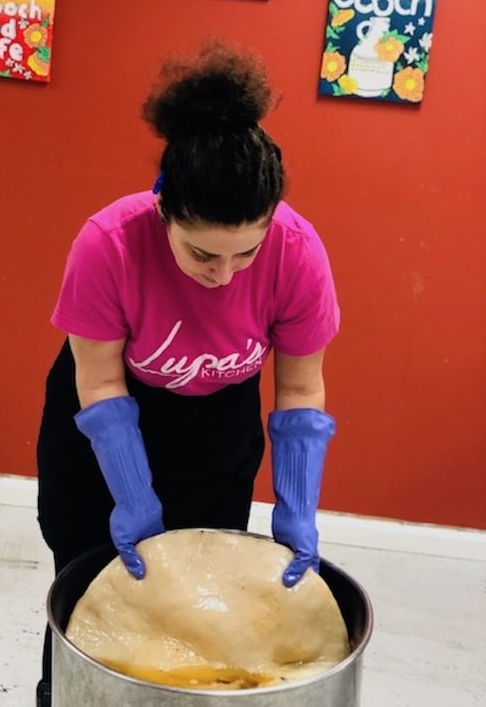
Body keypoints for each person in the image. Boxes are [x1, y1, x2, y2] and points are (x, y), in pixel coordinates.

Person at [35, 39, 340, 706]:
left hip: (214, 431)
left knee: (202, 614)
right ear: (163, 206)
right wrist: (132, 495)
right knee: (93, 599)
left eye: (245, 252)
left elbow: (298, 389)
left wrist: (298, 508)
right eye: (203, 253)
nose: (224, 274)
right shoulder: (109, 243)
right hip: (100, 431)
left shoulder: (298, 254)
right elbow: (101, 382)